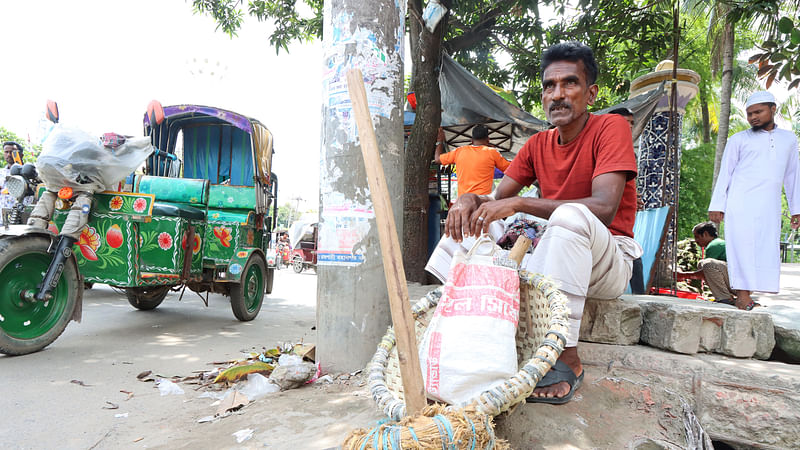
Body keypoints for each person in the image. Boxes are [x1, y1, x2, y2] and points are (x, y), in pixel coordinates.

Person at [425, 41, 641, 404]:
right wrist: (466, 200)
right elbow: (494, 201)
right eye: (549, 86)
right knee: (473, 218)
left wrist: (521, 202)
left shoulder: (611, 128)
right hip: (553, 252)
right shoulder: (537, 143)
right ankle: (457, 325)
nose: (557, 94)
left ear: (591, 93)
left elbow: (603, 208)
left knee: (571, 217)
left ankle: (564, 357)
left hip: (607, 260)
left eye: (569, 84)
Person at [708, 91, 800, 311]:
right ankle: (743, 296)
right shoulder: (738, 139)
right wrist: (717, 205)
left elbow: (793, 174)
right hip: (740, 203)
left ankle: (749, 295)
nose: (753, 117)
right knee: (742, 247)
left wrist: (796, 208)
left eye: (758, 112)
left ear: (773, 109)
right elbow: (726, 173)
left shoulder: (789, 139)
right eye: (749, 114)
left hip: (769, 205)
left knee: (764, 248)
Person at [609, 107, 645, 294]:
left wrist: (630, 196)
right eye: (624, 123)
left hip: (622, 226)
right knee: (633, 261)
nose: (628, 127)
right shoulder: (605, 149)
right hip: (608, 226)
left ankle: (641, 302)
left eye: (631, 124)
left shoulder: (626, 151)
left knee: (634, 260)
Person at [434, 124, 510, 196]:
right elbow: (510, 170)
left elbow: (437, 159)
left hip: (464, 201)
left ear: (472, 140)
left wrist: (440, 141)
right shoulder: (492, 152)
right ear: (488, 140)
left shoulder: (459, 151)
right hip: (483, 201)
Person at [676, 221, 736, 305]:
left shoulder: (715, 245)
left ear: (705, 234)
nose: (696, 241)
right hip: (736, 281)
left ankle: (725, 298)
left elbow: (707, 270)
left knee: (708, 264)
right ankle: (726, 296)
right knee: (702, 264)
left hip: (739, 283)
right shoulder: (717, 244)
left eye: (697, 237)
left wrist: (683, 275)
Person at [0, 141, 33, 225]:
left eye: (12, 152)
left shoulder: (30, 172)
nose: (9, 154)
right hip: (2, 217)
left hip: (22, 216)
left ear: (21, 154)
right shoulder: (1, 173)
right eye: (6, 152)